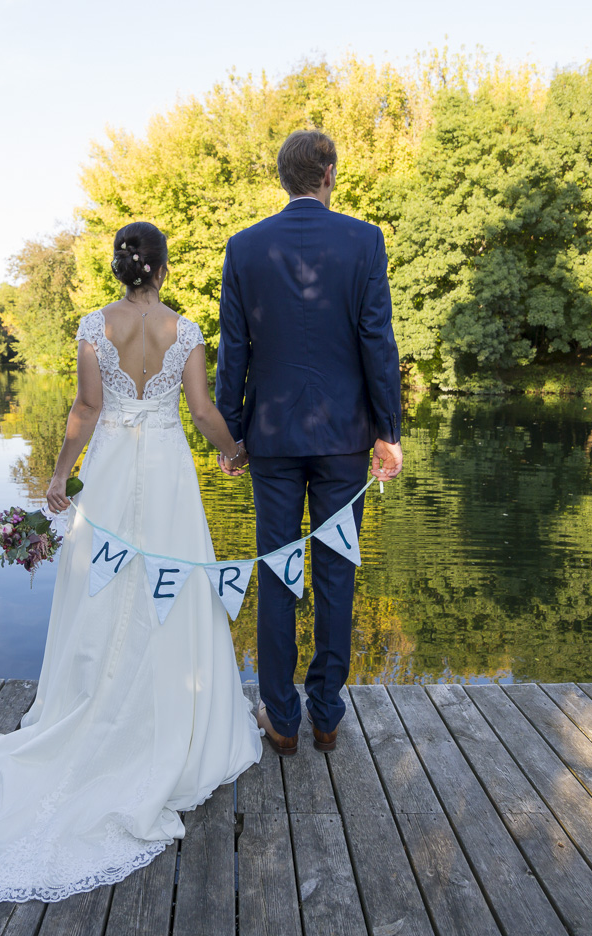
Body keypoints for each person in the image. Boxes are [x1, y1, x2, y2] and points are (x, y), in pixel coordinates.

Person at [0, 221, 260, 903]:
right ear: (161, 267)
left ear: (118, 267)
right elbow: (201, 411)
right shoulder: (184, 332)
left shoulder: (92, 326)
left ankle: (87, 699)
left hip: (107, 472)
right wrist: (236, 450)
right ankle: (170, 716)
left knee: (103, 586)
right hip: (163, 472)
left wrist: (60, 476)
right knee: (171, 581)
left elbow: (87, 407)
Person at [215, 129, 404, 756]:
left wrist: (230, 432)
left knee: (277, 573)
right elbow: (377, 342)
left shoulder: (243, 248)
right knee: (335, 573)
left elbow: (234, 350)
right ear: (327, 173)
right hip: (344, 438)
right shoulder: (363, 239)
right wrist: (388, 432)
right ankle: (327, 713)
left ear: (283, 177)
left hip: (270, 439)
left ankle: (282, 718)